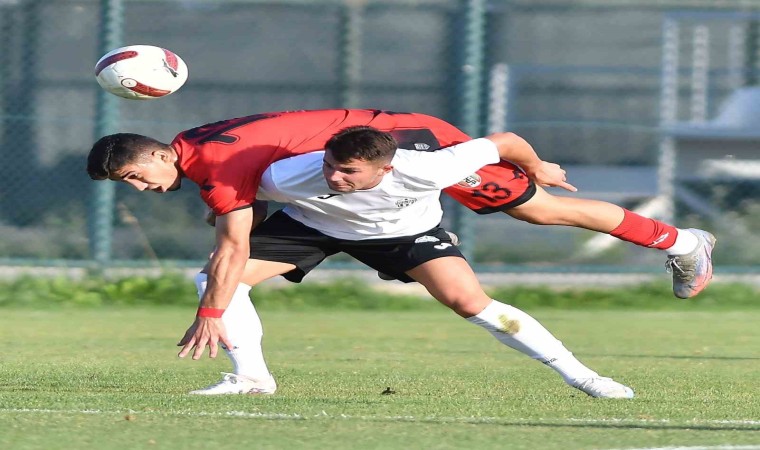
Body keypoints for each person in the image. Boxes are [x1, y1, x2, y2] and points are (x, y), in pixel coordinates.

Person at [86, 108, 716, 312]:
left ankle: (683, 242)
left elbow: (232, 240)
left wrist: (534, 164)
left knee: (543, 209)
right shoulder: (198, 144)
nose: (140, 188)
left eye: (138, 177)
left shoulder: (217, 168)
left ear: (160, 155)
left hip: (413, 145)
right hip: (363, 159)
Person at [180, 126, 636, 398]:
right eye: (331, 166)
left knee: (469, 302)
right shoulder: (287, 175)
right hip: (313, 225)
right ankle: (252, 378)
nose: (335, 176)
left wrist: (536, 167)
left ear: (386, 170)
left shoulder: (435, 167)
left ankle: (584, 376)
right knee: (218, 280)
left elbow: (507, 141)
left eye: (350, 172)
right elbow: (249, 198)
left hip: (405, 233)